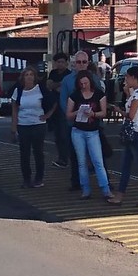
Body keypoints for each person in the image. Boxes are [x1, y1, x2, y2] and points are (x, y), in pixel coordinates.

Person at [109, 66, 138, 207]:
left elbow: (131, 115)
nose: (126, 80)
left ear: (134, 78)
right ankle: (120, 195)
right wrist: (128, 93)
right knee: (127, 164)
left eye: (128, 77)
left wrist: (119, 110)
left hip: (136, 132)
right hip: (135, 132)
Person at [59, 51, 104, 190]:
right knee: (75, 155)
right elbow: (63, 100)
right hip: (74, 124)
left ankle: (105, 182)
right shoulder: (67, 80)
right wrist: (71, 116)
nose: (81, 65)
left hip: (93, 122)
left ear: (88, 63)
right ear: (74, 64)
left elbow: (100, 98)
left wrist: (96, 115)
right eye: (79, 62)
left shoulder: (95, 79)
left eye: (84, 62)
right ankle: (76, 182)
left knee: (98, 156)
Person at [67, 70, 112, 200]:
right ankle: (86, 189)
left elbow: (103, 113)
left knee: (98, 161)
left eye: (86, 83)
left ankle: (106, 189)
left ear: (90, 82)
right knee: (81, 162)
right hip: (78, 131)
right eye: (81, 83)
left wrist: (93, 114)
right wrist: (77, 112)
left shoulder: (99, 94)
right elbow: (68, 115)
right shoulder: (75, 95)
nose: (84, 85)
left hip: (93, 131)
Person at [10, 67, 53, 188]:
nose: (29, 77)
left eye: (31, 75)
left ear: (35, 77)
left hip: (38, 124)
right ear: (23, 77)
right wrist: (13, 128)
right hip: (23, 125)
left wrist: (47, 115)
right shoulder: (18, 90)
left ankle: (39, 178)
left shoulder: (40, 89)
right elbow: (14, 109)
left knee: (38, 152)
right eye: (26, 75)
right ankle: (26, 179)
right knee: (24, 153)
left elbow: (54, 102)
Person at [45, 52, 71, 168]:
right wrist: (59, 85)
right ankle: (61, 157)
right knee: (57, 134)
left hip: (65, 106)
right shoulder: (53, 73)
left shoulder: (69, 74)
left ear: (66, 63)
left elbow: (63, 89)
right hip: (53, 106)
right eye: (58, 62)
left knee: (64, 133)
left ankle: (65, 158)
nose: (60, 64)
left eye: (62, 62)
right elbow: (49, 85)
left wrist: (57, 86)